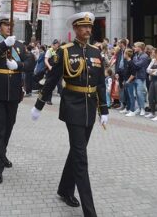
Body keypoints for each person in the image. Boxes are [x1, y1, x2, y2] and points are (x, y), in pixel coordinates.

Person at [31, 12, 108, 217]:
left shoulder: (95, 52)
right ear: (75, 29)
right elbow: (51, 79)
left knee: (77, 151)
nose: (88, 30)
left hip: (90, 107)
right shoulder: (65, 51)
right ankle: (90, 211)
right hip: (72, 106)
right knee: (81, 157)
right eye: (83, 27)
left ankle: (65, 189)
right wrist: (39, 105)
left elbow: (100, 84)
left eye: (89, 27)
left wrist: (104, 110)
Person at [0, 16, 34, 184]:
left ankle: (2, 153)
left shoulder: (18, 45)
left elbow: (30, 60)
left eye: (11, 25)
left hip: (13, 92)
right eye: (5, 25)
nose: (8, 28)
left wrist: (18, 66)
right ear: (0, 27)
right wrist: (4, 45)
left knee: (9, 125)